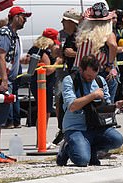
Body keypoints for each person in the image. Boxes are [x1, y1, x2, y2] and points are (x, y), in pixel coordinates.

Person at [0, 6, 30, 164]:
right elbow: (0, 57)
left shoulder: (12, 35)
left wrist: (21, 60)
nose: (25, 19)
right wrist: (3, 80)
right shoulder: (5, 33)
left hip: (2, 81)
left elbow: (7, 57)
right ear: (15, 17)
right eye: (23, 16)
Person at [56, 55, 123, 167]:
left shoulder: (100, 81)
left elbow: (105, 105)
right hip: (76, 128)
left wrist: (117, 105)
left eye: (94, 75)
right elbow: (72, 106)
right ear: (80, 69)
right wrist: (93, 95)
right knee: (82, 160)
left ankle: (91, 150)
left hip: (96, 126)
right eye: (88, 76)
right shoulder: (69, 80)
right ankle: (67, 147)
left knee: (117, 140)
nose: (91, 78)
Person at [74, 2, 119, 101]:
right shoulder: (107, 33)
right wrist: (110, 65)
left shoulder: (83, 31)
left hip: (79, 69)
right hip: (98, 71)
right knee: (104, 103)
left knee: (82, 101)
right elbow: (113, 45)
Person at [25, 28, 62, 148]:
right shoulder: (42, 52)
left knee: (44, 112)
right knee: (44, 112)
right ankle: (41, 140)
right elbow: (48, 70)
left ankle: (41, 139)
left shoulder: (36, 49)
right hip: (42, 85)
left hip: (40, 84)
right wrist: (57, 62)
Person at [53, 8, 82, 145]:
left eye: (64, 21)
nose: (62, 23)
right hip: (69, 74)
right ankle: (63, 129)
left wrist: (75, 54)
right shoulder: (69, 37)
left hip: (80, 76)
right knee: (61, 101)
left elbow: (90, 56)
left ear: (72, 22)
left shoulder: (81, 37)